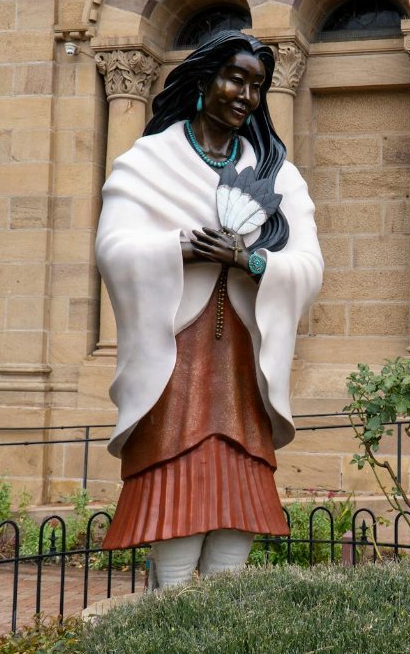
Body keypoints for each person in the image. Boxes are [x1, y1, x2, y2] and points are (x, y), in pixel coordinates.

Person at [96, 31, 323, 588]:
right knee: (175, 476)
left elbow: (310, 263)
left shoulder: (277, 173)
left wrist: (254, 262)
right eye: (235, 79)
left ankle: (223, 614)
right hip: (176, 359)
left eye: (257, 86)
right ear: (202, 81)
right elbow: (114, 248)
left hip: (242, 358)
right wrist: (181, 245)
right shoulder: (149, 162)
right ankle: (171, 611)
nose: (246, 95)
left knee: (239, 483)